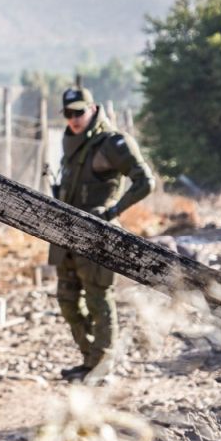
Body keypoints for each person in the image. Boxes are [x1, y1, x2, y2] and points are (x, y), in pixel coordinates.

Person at [49, 86, 154, 384]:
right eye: (68, 113)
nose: (73, 119)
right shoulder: (71, 141)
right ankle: (90, 360)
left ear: (93, 109)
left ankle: (102, 367)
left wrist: (111, 213)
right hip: (67, 233)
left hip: (97, 235)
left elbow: (145, 182)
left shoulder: (112, 142)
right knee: (67, 300)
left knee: (98, 299)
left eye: (79, 112)